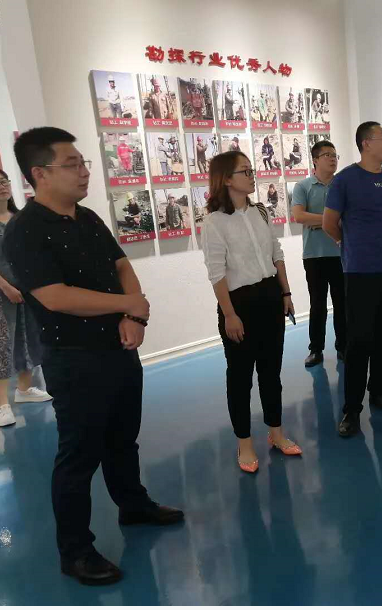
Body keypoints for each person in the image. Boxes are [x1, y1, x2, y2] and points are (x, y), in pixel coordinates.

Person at [4, 127, 183, 586]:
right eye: (72, 164)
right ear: (39, 173)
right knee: (79, 454)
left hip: (118, 348)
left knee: (123, 438)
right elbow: (55, 296)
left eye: (83, 162)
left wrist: (134, 316)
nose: (84, 171)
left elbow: (121, 265)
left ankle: (133, 505)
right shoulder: (26, 230)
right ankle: (75, 551)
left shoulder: (87, 218)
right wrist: (129, 304)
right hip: (73, 358)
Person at [202, 151, 302, 472]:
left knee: (271, 372)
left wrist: (285, 292)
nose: (251, 175)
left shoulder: (260, 212)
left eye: (251, 170)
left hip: (270, 296)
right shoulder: (214, 222)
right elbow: (216, 272)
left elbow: (276, 253)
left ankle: (276, 432)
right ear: (226, 179)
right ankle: (244, 442)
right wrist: (229, 314)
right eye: (244, 171)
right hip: (239, 304)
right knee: (240, 377)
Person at [323, 122, 382, 437]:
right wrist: (349, 244)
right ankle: (352, 409)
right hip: (359, 271)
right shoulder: (344, 180)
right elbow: (330, 223)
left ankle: (379, 392)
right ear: (366, 143)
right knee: (358, 341)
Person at [0, 169, 52, 427]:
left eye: (4, 181)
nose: (2, 186)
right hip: (3, 291)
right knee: (3, 344)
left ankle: (24, 389)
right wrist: (5, 287)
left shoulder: (19, 217)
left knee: (29, 337)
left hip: (27, 289)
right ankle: (2, 405)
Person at [292, 140, 346, 367]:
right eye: (327, 155)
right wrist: (330, 220)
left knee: (343, 303)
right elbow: (299, 216)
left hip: (341, 253)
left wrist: (317, 220)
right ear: (315, 160)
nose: (333, 159)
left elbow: (348, 216)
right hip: (314, 255)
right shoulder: (303, 186)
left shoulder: (342, 185)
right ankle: (316, 349)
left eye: (335, 155)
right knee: (317, 305)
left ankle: (343, 347)